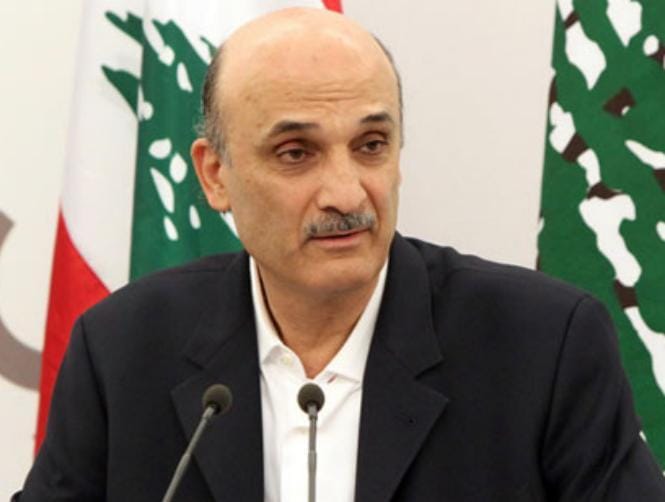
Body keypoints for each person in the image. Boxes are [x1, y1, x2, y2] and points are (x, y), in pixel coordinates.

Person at [16, 7, 665, 501]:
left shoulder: (542, 346)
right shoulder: (123, 349)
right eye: (296, 153)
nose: (347, 193)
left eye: (370, 145)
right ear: (215, 175)